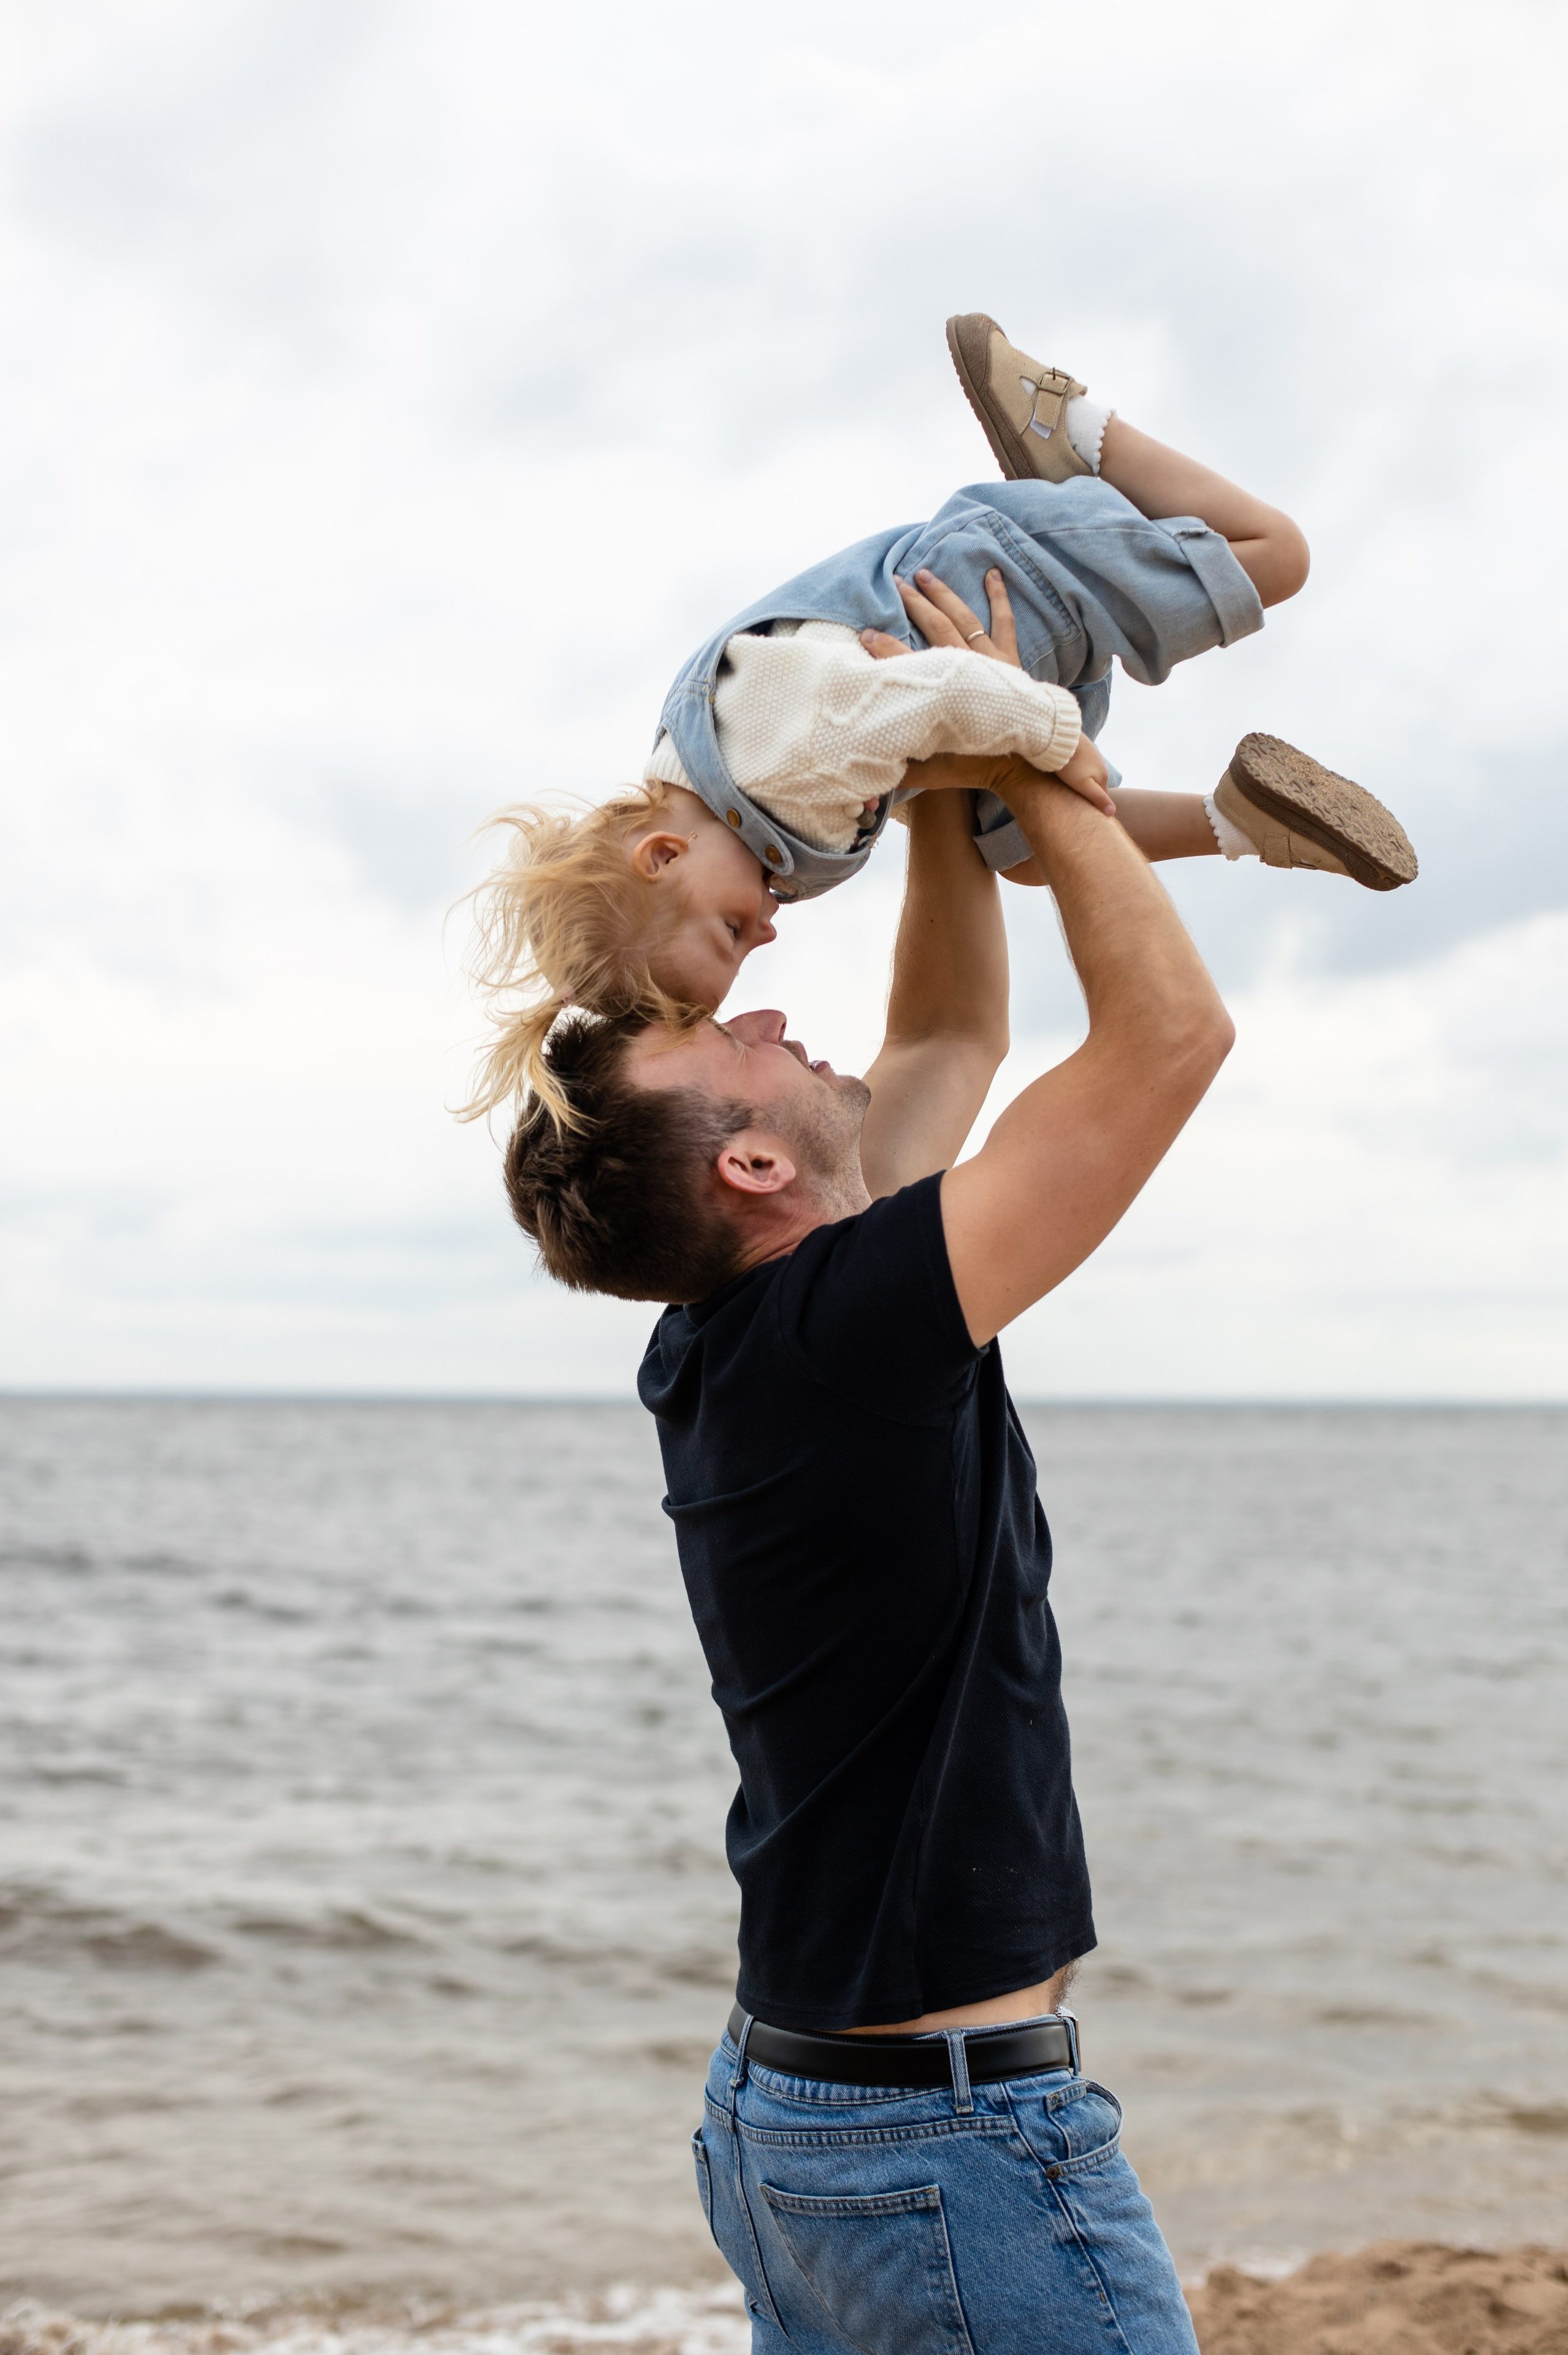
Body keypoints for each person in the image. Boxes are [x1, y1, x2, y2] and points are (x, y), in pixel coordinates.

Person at [497, 557, 1239, 2350]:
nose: (767, 1012)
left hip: (802, 2124)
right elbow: (1169, 1039)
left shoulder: (759, 1336)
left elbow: (951, 1035)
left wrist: (941, 795)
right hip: (944, 2141)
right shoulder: (840, 1333)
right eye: (727, 1045)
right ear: (750, 1170)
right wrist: (1036, 756)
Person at [460, 312, 1415, 1130]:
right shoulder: (725, 802)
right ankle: (1241, 822)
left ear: (661, 856)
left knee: (1275, 555)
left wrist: (1054, 740)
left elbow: (939, 697)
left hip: (1001, 589)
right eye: (748, 950)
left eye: (730, 931)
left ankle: (1072, 429)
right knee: (1033, 854)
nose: (766, 936)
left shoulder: (773, 752)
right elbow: (912, 753)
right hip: (1000, 654)